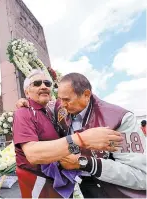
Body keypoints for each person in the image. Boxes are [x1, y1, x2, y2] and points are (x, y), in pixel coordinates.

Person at [16, 72, 146, 198]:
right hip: (81, 186)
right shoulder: (59, 109)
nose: (61, 104)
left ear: (86, 95)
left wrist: (84, 162)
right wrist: (26, 102)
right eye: (60, 99)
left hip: (117, 192)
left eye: (66, 100)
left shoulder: (120, 119)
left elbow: (142, 176)